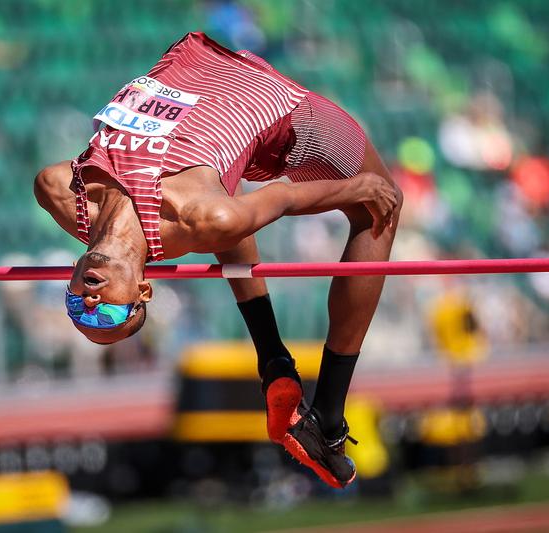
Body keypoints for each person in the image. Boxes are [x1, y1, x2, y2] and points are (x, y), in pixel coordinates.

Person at [34, 32, 402, 489]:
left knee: (221, 216)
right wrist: (357, 189)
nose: (90, 302)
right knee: (380, 206)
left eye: (77, 309)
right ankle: (327, 416)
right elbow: (282, 198)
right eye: (107, 312)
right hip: (277, 108)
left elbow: (222, 224)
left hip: (192, 58)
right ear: (144, 290)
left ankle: (273, 363)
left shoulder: (59, 193)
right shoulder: (199, 217)